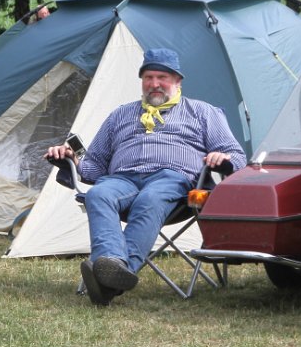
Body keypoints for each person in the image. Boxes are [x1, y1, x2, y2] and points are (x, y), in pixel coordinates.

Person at [45, 48, 247, 306]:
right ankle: (113, 271)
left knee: (150, 197)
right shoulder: (120, 114)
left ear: (177, 81)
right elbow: (94, 167)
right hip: (122, 180)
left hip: (173, 182)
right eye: (148, 77)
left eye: (162, 77)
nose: (154, 84)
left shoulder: (202, 112)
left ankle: (111, 274)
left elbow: (237, 157)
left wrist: (223, 158)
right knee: (98, 193)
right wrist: (71, 160)